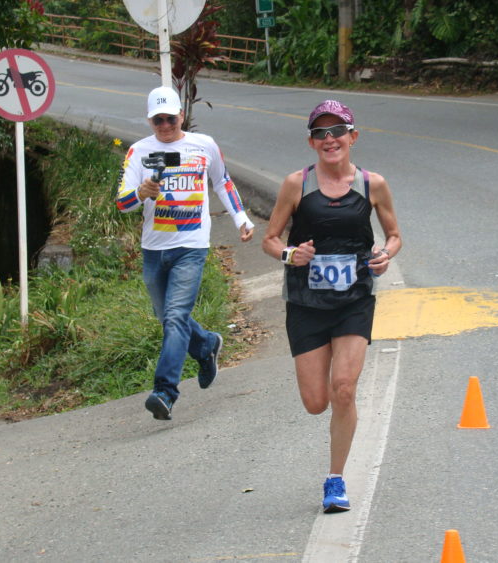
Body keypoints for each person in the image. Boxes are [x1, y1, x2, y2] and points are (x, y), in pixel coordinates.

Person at [262, 100, 402, 513]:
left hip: (353, 300)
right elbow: (271, 239)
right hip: (306, 302)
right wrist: (291, 255)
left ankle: (335, 480)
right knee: (316, 401)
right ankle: (334, 467)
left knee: (344, 389)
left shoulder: (372, 184)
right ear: (311, 142)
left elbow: (394, 234)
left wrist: (385, 254)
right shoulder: (296, 185)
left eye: (337, 131)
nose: (330, 139)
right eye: (321, 133)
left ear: (352, 137)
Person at [116, 86, 254, 421]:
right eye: (157, 119)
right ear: (150, 120)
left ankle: (165, 392)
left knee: (175, 317)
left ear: (182, 115)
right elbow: (122, 203)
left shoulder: (203, 145)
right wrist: (141, 192)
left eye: (170, 117)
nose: (165, 125)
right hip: (154, 248)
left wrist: (241, 219)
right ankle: (206, 346)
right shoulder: (138, 152)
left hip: (192, 246)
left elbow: (223, 181)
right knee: (166, 316)